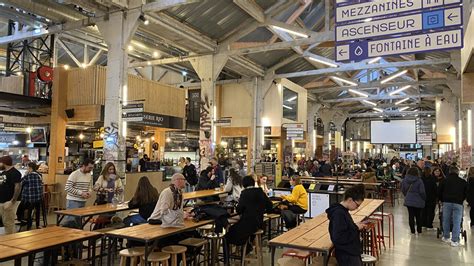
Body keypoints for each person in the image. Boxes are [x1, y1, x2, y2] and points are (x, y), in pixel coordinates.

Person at [224, 175, 273, 263]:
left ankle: (227, 261)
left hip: (248, 224)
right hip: (259, 223)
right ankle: (247, 247)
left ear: (244, 184)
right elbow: (270, 206)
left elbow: (239, 210)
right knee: (240, 230)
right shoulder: (260, 191)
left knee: (227, 235)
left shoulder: (245, 193)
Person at [326, 184, 366, 266]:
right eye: (357, 205)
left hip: (349, 253)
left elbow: (344, 229)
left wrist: (354, 226)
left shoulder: (342, 211)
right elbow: (339, 238)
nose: (357, 208)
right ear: (350, 200)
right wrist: (356, 228)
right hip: (346, 255)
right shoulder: (339, 213)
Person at [438, 166, 468, 247]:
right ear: (457, 172)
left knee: (446, 220)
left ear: (449, 172)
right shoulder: (462, 182)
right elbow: (466, 192)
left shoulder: (444, 181)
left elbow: (439, 191)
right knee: (457, 221)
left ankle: (446, 236)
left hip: (447, 202)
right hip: (458, 203)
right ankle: (455, 240)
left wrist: (441, 199)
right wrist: (462, 199)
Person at [64, 158, 94, 228]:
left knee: (79, 222)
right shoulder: (74, 174)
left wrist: (89, 192)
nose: (91, 170)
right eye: (89, 168)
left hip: (82, 201)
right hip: (73, 201)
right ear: (84, 166)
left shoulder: (89, 175)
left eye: (92, 168)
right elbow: (67, 188)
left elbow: (90, 185)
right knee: (71, 222)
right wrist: (81, 193)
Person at [17, 162, 44, 230]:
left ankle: (25, 221)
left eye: (27, 167)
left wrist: (25, 174)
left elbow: (21, 183)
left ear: (30, 168)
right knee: (36, 210)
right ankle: (37, 224)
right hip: (38, 199)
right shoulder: (39, 175)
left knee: (19, 209)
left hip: (29, 199)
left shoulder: (28, 176)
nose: (26, 169)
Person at [0, 156, 22, 234]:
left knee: (8, 223)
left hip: (10, 201)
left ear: (4, 163)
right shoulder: (3, 172)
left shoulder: (15, 173)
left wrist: (12, 201)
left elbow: (18, 187)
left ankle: (11, 242)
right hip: (2, 201)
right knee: (6, 222)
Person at [401, 167, 426, 234]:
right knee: (418, 216)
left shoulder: (404, 180)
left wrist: (407, 195)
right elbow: (422, 191)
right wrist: (424, 198)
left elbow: (403, 190)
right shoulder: (419, 180)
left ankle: (412, 230)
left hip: (409, 200)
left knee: (410, 216)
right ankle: (419, 230)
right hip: (418, 200)